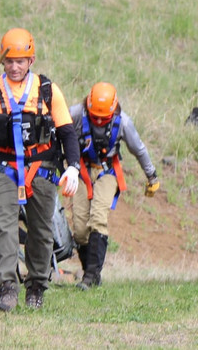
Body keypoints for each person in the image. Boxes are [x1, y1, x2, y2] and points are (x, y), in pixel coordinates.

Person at [0, 28, 82, 312]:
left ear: (31, 60)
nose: (14, 67)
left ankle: (36, 286)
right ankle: (7, 288)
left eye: (20, 61)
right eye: (9, 61)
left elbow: (67, 132)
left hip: (42, 169)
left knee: (41, 231)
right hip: (1, 168)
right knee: (4, 226)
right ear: (1, 61)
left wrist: (73, 168)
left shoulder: (47, 90)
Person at [66, 82, 160, 289]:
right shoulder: (75, 114)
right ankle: (91, 273)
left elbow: (139, 150)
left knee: (98, 218)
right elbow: (59, 135)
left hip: (107, 171)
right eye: (95, 116)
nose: (99, 121)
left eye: (104, 118)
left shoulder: (123, 122)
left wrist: (151, 175)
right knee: (81, 230)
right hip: (81, 170)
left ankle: (90, 277)